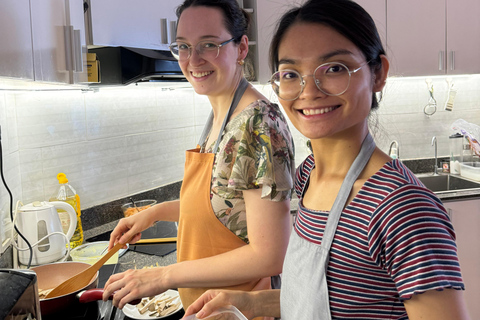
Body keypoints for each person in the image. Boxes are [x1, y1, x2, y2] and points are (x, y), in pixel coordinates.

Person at [183, 0, 471, 319]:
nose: (309, 91)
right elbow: (337, 299)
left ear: (378, 74)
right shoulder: (309, 175)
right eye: (291, 73)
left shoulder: (402, 209)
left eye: (334, 68)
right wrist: (252, 303)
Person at [101, 0, 295, 312]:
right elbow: (227, 207)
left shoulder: (258, 123)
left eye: (209, 44)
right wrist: (154, 213)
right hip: (209, 309)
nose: (193, 59)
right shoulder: (220, 114)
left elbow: (270, 253)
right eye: (183, 46)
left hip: (239, 311)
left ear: (241, 48)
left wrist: (164, 275)